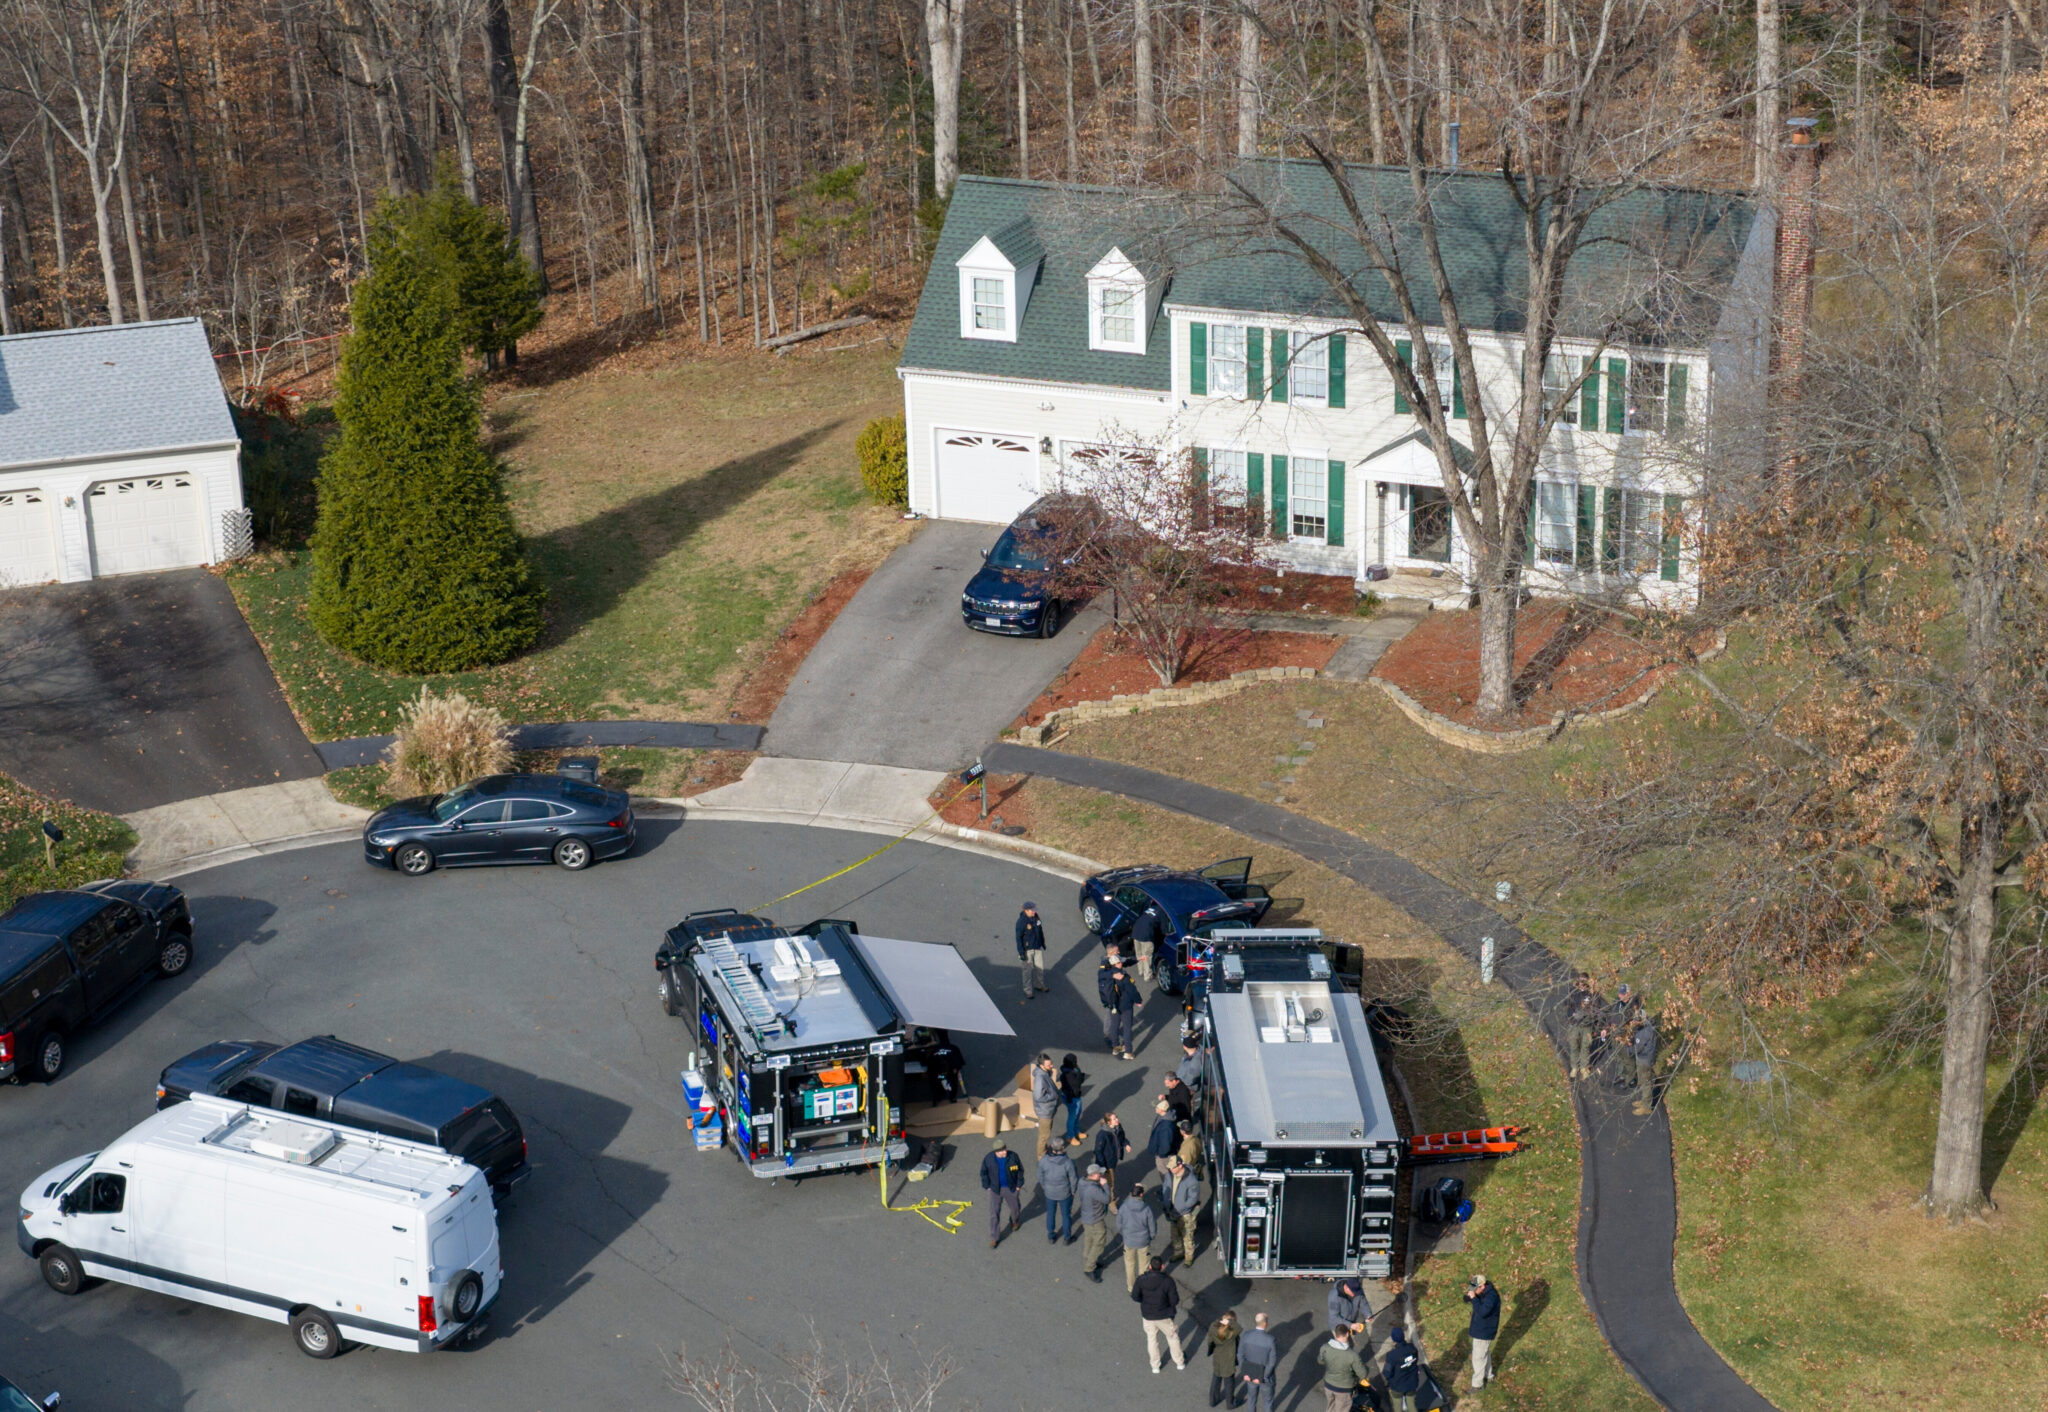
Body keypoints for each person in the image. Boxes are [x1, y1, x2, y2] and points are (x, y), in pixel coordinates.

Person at [1131, 1255, 1185, 1372]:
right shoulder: (1168, 1281)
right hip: (1164, 1315)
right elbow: (1174, 1301)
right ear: (1162, 1266)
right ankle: (1179, 1362)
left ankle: (1155, 1366)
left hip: (1148, 1315)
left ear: (1150, 1267)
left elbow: (1135, 1296)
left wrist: (1145, 1301)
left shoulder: (1141, 1280)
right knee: (1172, 1337)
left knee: (1152, 1339)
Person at [979, 1138, 1024, 1248]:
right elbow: (983, 1173)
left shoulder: (1013, 1156)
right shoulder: (989, 1159)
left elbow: (1020, 1170)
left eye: (1005, 1149)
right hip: (995, 1190)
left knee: (1015, 1208)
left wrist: (1019, 1185)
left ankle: (1014, 1220)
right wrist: (987, 1186)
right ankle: (994, 1237)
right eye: (1001, 1151)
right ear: (996, 1152)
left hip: (1011, 1188)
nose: (1004, 1152)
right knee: (994, 1214)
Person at [1316, 1325, 1370, 1412]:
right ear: (1347, 1334)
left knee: (1330, 1408)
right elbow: (1363, 1374)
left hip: (1328, 1385)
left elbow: (1320, 1361)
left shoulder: (1325, 1348)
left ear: (1335, 1334)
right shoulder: (1352, 1355)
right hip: (1344, 1390)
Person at [1117, 1180, 1159, 1292]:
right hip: (1143, 1241)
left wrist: (1125, 1235)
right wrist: (1151, 1236)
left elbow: (1119, 1224)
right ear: (1141, 1195)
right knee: (1144, 1266)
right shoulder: (1146, 1209)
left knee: (1129, 1265)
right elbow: (1152, 1226)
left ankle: (1131, 1288)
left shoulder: (1124, 1207)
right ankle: (1142, 1287)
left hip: (1129, 1241)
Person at [1076, 1163, 1114, 1282]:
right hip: (1095, 1219)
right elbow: (1107, 1199)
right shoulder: (1093, 1189)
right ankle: (1089, 1267)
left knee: (1089, 1239)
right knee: (1099, 1243)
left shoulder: (1082, 1182)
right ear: (1093, 1175)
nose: (1101, 1175)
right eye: (1099, 1173)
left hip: (1086, 1216)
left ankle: (1089, 1259)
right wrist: (1105, 1185)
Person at [1036, 1136, 1078, 1243]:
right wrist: (1073, 1191)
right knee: (1066, 1215)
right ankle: (1067, 1237)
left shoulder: (1044, 1160)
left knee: (1050, 1213)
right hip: (1064, 1193)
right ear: (1062, 1148)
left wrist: (1045, 1186)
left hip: (1049, 1192)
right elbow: (1073, 1179)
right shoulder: (1068, 1162)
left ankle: (1051, 1236)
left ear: (1051, 1146)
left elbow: (1040, 1175)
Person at [1099, 953, 1140, 1059]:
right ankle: (1128, 1052)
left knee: (1114, 1026)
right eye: (1120, 962)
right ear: (1117, 964)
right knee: (1127, 1028)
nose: (1122, 963)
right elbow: (1132, 990)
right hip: (1125, 1005)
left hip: (1113, 1004)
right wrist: (1138, 1000)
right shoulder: (1123, 976)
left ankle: (1115, 1046)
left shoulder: (1106, 975)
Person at [1236, 1311, 1279, 1412]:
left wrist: (1246, 1372)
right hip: (1265, 1378)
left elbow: (1240, 1355)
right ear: (1264, 1323)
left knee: (1251, 1400)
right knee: (1268, 1402)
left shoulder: (1246, 1335)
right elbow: (1272, 1362)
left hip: (1250, 1375)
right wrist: (1263, 1376)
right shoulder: (1270, 1340)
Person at [1464, 1273, 1501, 1389]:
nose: (1473, 1291)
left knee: (1478, 1358)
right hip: (1481, 1329)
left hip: (1484, 1332)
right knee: (1484, 1354)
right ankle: (1488, 1375)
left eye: (1475, 1289)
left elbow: (1483, 1312)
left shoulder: (1491, 1297)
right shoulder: (1484, 1292)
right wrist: (1470, 1298)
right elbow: (1478, 1303)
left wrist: (1474, 1299)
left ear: (1482, 1286)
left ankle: (1477, 1384)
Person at [1164, 1155, 1202, 1266]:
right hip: (1173, 1211)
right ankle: (1178, 1252)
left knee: (1187, 1237)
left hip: (1185, 1214)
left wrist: (1182, 1208)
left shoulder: (1191, 1180)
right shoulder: (1169, 1175)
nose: (1171, 1169)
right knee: (1175, 1235)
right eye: (1170, 1167)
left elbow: (1193, 1199)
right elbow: (1166, 1187)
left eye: (1173, 1167)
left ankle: (1188, 1258)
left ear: (1180, 1165)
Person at [1563, 977, 1601, 1082]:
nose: (1582, 984)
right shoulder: (1573, 993)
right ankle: (1574, 1067)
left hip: (1587, 1025)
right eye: (1581, 982)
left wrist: (1592, 1018)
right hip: (1575, 1025)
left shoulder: (1592, 994)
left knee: (1585, 1046)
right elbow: (1567, 1006)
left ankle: (1584, 1067)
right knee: (1574, 1045)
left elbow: (1597, 1009)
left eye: (1584, 982)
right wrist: (1572, 1015)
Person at [1382, 1325, 1424, 1412]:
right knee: (1411, 1404)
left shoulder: (1392, 1355)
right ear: (1403, 1336)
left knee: (1397, 1406)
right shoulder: (1412, 1348)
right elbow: (1415, 1361)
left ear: (1393, 1339)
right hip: (1412, 1383)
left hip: (1397, 1386)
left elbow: (1387, 1373)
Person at [1205, 1310, 1241, 1408]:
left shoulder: (1213, 1327)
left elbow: (1210, 1341)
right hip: (1228, 1361)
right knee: (1229, 1383)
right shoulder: (1231, 1333)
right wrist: (1230, 1322)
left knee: (1216, 1379)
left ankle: (1213, 1401)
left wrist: (1222, 1321)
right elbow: (1239, 1328)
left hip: (1217, 1357)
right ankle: (1230, 1403)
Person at [1016, 902, 1048, 1001]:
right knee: (1027, 971)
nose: (1034, 911)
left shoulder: (1036, 917)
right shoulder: (1021, 922)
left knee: (1040, 968)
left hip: (1037, 947)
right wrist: (1021, 953)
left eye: (1034, 909)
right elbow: (1018, 938)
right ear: (1026, 910)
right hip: (1027, 950)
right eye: (1032, 910)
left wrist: (1042, 943)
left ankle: (1039, 984)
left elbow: (1040, 931)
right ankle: (1028, 990)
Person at [1030, 1052, 1060, 1157]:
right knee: (1044, 1136)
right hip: (1045, 1112)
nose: (1052, 1066)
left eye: (1051, 1063)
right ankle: (1041, 1156)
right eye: (1049, 1065)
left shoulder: (1044, 1072)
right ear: (1041, 1065)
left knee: (1045, 1133)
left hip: (1046, 1110)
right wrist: (1053, 1096)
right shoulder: (1040, 1078)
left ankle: (1043, 1151)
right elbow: (1038, 1097)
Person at [923, 1028, 965, 1103]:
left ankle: (938, 1097)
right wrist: (957, 1068)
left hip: (939, 1070)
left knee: (936, 1082)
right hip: (948, 1070)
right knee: (953, 1082)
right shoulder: (954, 1048)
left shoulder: (935, 1049)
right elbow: (959, 1061)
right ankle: (952, 1097)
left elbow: (929, 1062)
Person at [1631, 1014, 1661, 1115]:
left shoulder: (1645, 1032)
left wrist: (1629, 1046)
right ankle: (1644, 1100)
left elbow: (1637, 1047)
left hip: (1645, 1060)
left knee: (1646, 1082)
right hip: (1644, 1058)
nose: (1634, 1023)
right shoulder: (1647, 1027)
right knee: (1643, 1080)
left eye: (1636, 1021)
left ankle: (1646, 1106)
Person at [1095, 1111, 1132, 1183]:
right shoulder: (1102, 1134)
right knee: (1109, 1182)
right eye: (1114, 1119)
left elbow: (1121, 1138)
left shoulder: (1118, 1127)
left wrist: (1126, 1144)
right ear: (1109, 1122)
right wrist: (1102, 1165)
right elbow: (1098, 1151)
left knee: (1109, 1179)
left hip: (1114, 1159)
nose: (1117, 1120)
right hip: (1107, 1163)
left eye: (1116, 1117)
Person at [1058, 1052, 1087, 1143]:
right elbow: (1078, 1082)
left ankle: (1076, 1131)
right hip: (1071, 1097)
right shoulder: (1068, 1074)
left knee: (1077, 1115)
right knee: (1072, 1117)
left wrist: (1077, 1072)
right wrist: (1078, 1072)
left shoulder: (1072, 1070)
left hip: (1076, 1096)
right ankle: (1070, 1136)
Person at [1131, 906, 1163, 984]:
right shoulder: (1163, 913)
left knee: (1139, 953)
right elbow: (1164, 929)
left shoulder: (1151, 908)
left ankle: (1141, 971)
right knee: (1147, 956)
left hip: (1136, 932)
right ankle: (1147, 976)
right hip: (1146, 936)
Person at [1148, 1099, 1180, 1178]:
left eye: (1157, 1107)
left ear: (1162, 1110)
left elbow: (1166, 1144)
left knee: (1163, 1171)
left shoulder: (1166, 1127)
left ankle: (1167, 1184)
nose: (1155, 1108)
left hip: (1164, 1155)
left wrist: (1161, 1155)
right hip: (1163, 1151)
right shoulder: (1163, 1117)